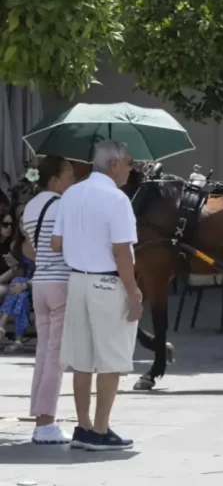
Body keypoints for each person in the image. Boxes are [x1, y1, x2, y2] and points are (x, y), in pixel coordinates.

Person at [52, 140, 141, 451]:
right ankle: (100, 430)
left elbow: (57, 242)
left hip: (77, 279)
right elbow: (121, 252)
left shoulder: (71, 194)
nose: (131, 168)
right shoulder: (117, 199)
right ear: (114, 164)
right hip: (107, 282)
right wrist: (134, 292)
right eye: (129, 162)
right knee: (110, 360)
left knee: (82, 360)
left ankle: (84, 426)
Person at [21, 156, 76, 444]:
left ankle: (40, 416)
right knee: (57, 355)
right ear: (54, 179)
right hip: (61, 282)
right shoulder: (63, 206)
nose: (73, 180)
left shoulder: (30, 206)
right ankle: (45, 423)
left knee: (44, 352)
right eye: (69, 175)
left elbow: (29, 249)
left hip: (39, 281)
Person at [0, 207, 34, 352]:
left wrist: (26, 284)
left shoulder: (39, 245)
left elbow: (41, 271)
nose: (23, 227)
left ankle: (2, 324)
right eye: (20, 223)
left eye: (26, 223)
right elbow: (18, 271)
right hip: (20, 284)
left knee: (18, 284)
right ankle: (18, 340)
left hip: (37, 282)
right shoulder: (16, 245)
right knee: (20, 295)